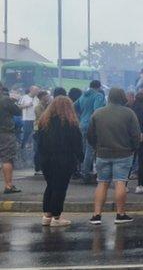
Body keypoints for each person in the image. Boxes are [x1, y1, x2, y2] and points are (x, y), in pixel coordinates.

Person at [87, 88, 142, 225]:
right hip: (124, 153)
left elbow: (90, 135)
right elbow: (136, 134)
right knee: (120, 182)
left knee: (102, 183)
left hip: (102, 153)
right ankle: (120, 214)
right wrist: (134, 147)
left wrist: (97, 147)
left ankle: (96, 215)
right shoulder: (129, 113)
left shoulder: (98, 113)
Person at [36, 95, 84, 226]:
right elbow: (77, 144)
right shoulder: (70, 123)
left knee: (50, 186)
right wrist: (81, 158)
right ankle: (56, 217)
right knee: (60, 188)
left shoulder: (44, 121)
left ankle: (47, 215)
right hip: (64, 160)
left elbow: (39, 144)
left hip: (46, 160)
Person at [75, 80, 106, 183]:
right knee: (90, 149)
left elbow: (74, 106)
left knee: (83, 149)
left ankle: (83, 170)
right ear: (99, 87)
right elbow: (97, 110)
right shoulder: (98, 96)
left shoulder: (83, 96)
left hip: (82, 124)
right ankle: (86, 173)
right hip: (92, 126)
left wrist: (81, 115)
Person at [128, 90, 143, 194]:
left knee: (129, 161)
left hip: (131, 138)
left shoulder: (130, 109)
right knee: (142, 162)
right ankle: (140, 185)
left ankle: (124, 185)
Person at [0, 87, 21, 193]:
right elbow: (17, 112)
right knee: (7, 159)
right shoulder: (5, 99)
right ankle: (8, 185)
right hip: (5, 133)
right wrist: (13, 101)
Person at [17, 85, 38, 152]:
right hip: (27, 119)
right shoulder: (24, 97)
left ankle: (32, 148)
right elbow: (18, 106)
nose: (37, 92)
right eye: (36, 90)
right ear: (31, 90)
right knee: (26, 133)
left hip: (35, 119)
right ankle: (22, 147)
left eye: (37, 90)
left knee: (35, 134)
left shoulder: (37, 98)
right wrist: (26, 105)